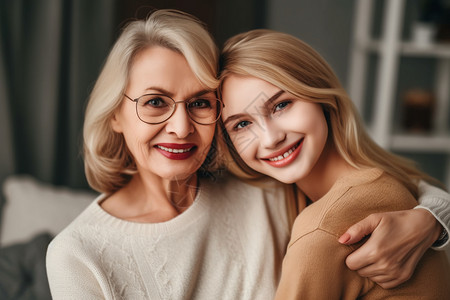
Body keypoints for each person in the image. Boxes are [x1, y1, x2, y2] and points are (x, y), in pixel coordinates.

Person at [45, 8, 449, 299]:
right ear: (115, 113)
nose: (181, 127)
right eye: (155, 102)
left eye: (200, 103)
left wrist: (432, 218)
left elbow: (383, 186)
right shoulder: (77, 254)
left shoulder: (262, 187)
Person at [218, 29, 450, 298]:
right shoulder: (379, 180)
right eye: (242, 124)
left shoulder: (323, 228)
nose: (271, 139)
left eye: (281, 105)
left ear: (320, 96)